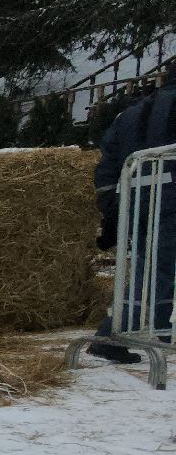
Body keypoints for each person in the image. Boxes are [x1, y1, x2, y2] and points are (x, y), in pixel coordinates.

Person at [88, 80, 176, 364]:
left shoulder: (132, 112)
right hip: (170, 194)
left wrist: (111, 207)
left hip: (134, 194)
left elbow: (107, 163)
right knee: (156, 266)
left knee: (148, 262)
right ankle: (116, 334)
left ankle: (158, 327)